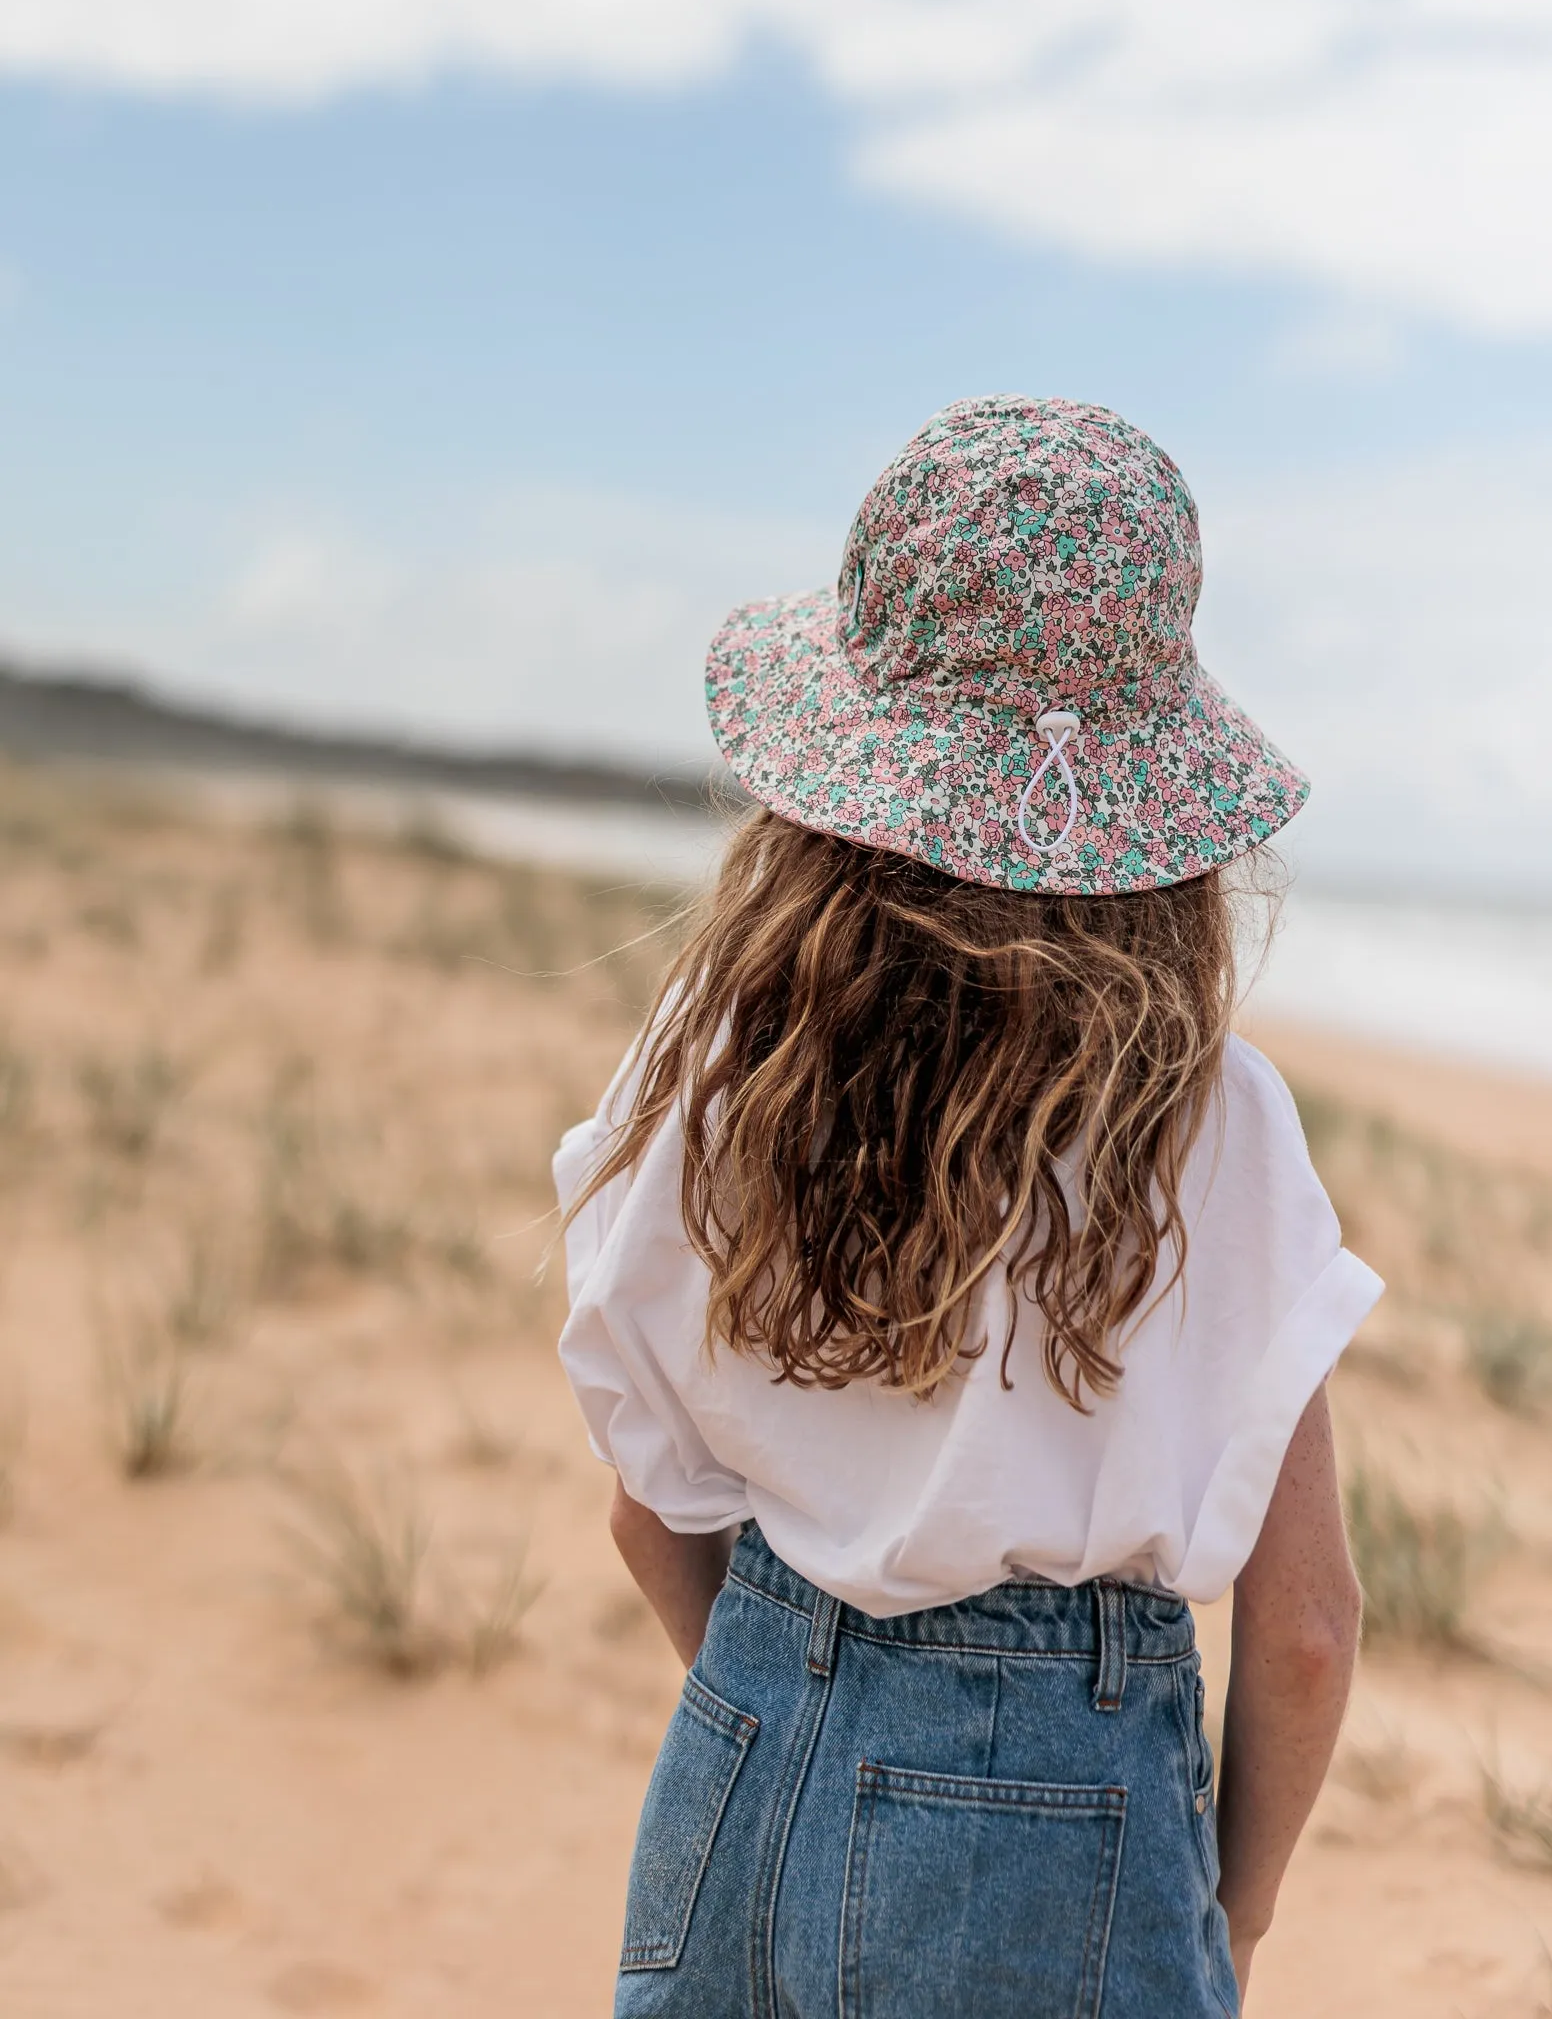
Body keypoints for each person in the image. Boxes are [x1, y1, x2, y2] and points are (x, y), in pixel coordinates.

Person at [554, 395, 1380, 2018]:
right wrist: (1238, 1913)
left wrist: (806, 1714)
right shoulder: (1210, 1122)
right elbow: (1304, 1631)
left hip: (741, 1751)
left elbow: (649, 1508)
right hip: (1060, 1822)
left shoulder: (720, 1056)